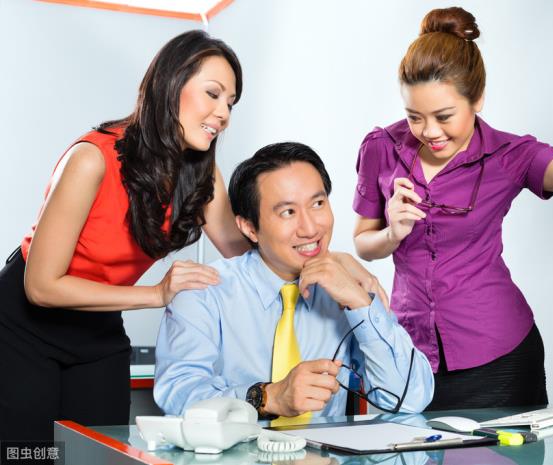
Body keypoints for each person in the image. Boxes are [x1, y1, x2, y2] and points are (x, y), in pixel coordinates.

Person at [352, 7, 553, 411]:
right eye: (414, 117)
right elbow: (364, 243)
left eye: (444, 116)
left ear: (478, 98)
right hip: (412, 358)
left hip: (500, 359)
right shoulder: (381, 148)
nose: (429, 131)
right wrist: (392, 233)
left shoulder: (510, 155)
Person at [0, 30, 249, 441]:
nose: (223, 113)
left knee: (101, 453)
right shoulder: (91, 158)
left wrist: (309, 254)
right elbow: (41, 287)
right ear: (171, 85)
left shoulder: (202, 175)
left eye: (231, 102)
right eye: (213, 93)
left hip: (97, 327)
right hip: (23, 325)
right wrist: (157, 294)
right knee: (29, 456)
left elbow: (240, 250)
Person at [154, 142, 433, 421]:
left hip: (323, 449)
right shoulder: (203, 292)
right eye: (288, 212)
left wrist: (360, 304)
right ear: (249, 227)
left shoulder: (348, 289)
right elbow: (178, 395)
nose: (310, 229)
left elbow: (410, 400)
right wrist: (269, 397)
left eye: (318, 204)